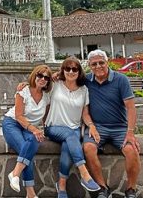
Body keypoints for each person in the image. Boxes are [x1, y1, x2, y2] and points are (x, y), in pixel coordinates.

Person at [82, 49, 141, 198]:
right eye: (94, 64)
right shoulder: (86, 81)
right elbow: (65, 78)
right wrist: (27, 83)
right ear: (89, 65)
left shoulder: (121, 80)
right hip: (98, 128)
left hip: (120, 128)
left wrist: (130, 132)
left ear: (107, 62)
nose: (98, 66)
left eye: (101, 62)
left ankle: (131, 190)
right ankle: (102, 187)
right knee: (88, 148)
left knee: (131, 150)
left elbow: (131, 107)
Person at [43, 57, 101, 197]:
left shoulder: (84, 90)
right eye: (67, 68)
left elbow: (85, 114)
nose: (70, 71)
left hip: (74, 129)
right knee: (70, 135)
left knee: (67, 146)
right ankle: (84, 173)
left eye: (74, 69)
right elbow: (38, 82)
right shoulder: (55, 84)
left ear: (79, 71)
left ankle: (61, 187)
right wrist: (23, 84)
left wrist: (92, 126)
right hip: (53, 127)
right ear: (62, 70)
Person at [2, 65, 53, 198]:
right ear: (34, 75)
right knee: (26, 149)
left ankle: (15, 174)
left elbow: (45, 117)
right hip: (12, 123)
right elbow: (19, 116)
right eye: (40, 75)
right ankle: (30, 193)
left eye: (46, 77)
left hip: (29, 127)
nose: (42, 79)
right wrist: (34, 130)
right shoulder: (23, 90)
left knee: (33, 141)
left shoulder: (47, 96)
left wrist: (44, 130)